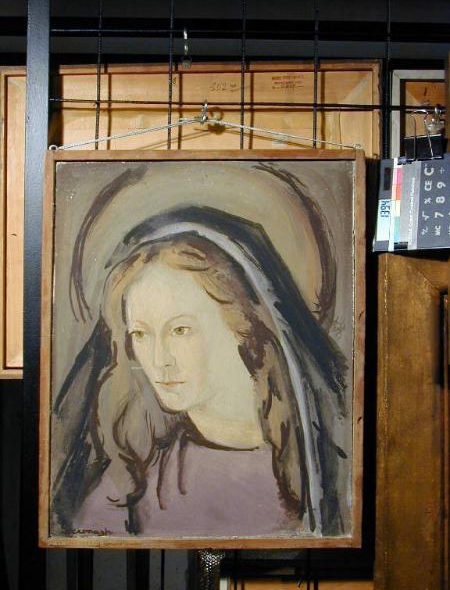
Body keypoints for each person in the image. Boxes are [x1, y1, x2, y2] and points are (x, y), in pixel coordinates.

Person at [51, 204, 348, 539]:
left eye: (180, 330)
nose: (159, 360)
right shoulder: (128, 485)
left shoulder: (320, 469)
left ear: (240, 326)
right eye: (141, 334)